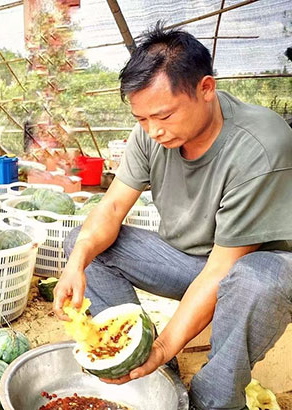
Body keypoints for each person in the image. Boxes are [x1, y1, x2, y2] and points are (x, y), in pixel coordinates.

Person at [53, 24, 292, 410]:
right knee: (87, 244)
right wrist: (76, 261)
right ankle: (159, 378)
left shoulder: (261, 145)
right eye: (141, 118)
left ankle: (213, 400)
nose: (153, 131)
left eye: (162, 115)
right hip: (187, 261)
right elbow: (112, 207)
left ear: (206, 89)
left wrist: (164, 345)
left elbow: (221, 270)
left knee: (256, 280)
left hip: (251, 268)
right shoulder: (149, 132)